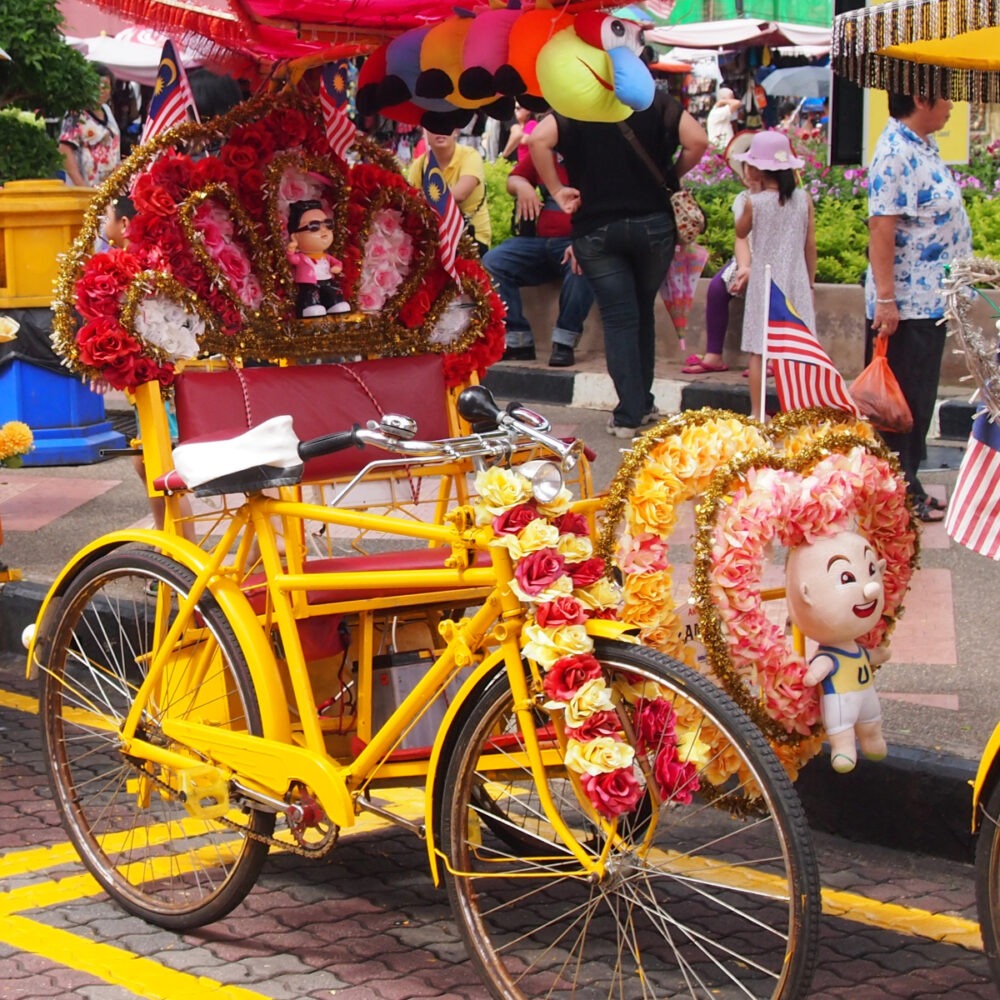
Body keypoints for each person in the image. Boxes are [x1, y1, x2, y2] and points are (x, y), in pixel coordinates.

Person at [529, 90, 707, 437]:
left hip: (596, 229)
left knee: (619, 319)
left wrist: (557, 189)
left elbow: (538, 139)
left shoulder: (574, 101)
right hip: (653, 224)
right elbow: (697, 140)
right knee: (642, 311)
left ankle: (629, 414)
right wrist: (670, 175)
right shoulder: (653, 99)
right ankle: (642, 404)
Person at [866, 91, 972, 523]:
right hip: (907, 304)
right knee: (900, 405)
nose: (952, 105)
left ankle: (909, 484)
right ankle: (897, 493)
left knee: (919, 400)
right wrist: (886, 300)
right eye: (945, 96)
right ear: (920, 98)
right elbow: (881, 226)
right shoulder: (895, 151)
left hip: (930, 301)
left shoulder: (922, 146)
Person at [732, 130, 816, 420]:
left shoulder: (755, 203)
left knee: (758, 349)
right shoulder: (803, 199)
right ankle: (797, 410)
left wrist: (753, 194)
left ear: (757, 169)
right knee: (796, 348)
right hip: (796, 279)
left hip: (764, 282)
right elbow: (810, 245)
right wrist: (811, 282)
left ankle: (758, 413)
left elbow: (740, 231)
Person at [483, 153, 594, 367]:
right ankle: (518, 341)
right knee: (494, 261)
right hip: (539, 242)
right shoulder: (544, 153)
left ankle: (564, 342)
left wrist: (585, 240)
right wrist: (522, 185)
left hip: (578, 240)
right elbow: (513, 179)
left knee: (584, 262)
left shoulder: (592, 152)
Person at [408, 127, 491, 255]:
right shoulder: (419, 165)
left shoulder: (470, 156)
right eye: (433, 126)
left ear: (456, 131)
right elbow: (409, 202)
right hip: (434, 239)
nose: (441, 131)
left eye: (447, 125)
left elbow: (460, 194)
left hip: (471, 239)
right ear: (425, 132)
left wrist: (423, 198)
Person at [59, 64, 121, 188]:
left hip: (107, 190)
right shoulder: (76, 113)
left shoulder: (107, 110)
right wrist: (81, 187)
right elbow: (64, 150)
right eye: (95, 85)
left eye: (105, 86)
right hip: (83, 190)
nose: (101, 89)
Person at [286, 200, 350, 317]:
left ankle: (334, 303)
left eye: (328, 224)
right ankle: (310, 305)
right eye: (314, 227)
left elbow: (337, 263)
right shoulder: (302, 257)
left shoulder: (326, 257)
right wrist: (291, 250)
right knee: (310, 293)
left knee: (333, 290)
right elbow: (293, 260)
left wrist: (337, 267)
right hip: (310, 283)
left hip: (327, 280)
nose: (323, 230)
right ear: (295, 237)